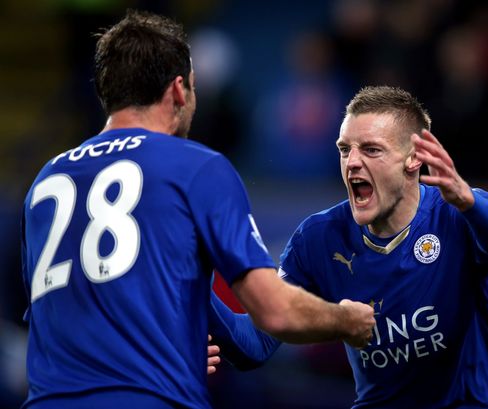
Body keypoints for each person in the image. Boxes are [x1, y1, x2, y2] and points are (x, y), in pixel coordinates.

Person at [19, 10, 375, 409]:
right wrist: (346, 320)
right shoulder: (195, 167)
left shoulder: (45, 182)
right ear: (178, 90)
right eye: (193, 85)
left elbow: (245, 344)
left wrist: (172, 345)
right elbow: (274, 314)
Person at [209, 85, 488, 408]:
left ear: (414, 158)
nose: (352, 163)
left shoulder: (457, 213)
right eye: (345, 149)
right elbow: (253, 345)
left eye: (371, 150)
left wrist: (469, 202)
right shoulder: (318, 238)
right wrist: (190, 282)